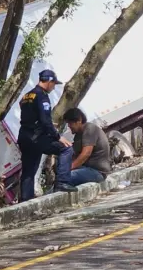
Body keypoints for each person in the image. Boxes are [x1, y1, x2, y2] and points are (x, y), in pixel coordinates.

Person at [17, 69, 75, 200]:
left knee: (28, 172)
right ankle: (62, 182)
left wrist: (40, 124)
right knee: (66, 148)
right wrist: (58, 137)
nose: (54, 87)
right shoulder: (42, 96)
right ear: (49, 81)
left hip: (24, 137)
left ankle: (25, 204)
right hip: (36, 138)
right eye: (54, 84)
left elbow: (29, 116)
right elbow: (45, 121)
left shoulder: (27, 96)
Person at [61, 107, 112, 187]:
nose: (69, 126)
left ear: (79, 121)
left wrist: (70, 167)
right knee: (62, 177)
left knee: (66, 177)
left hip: (97, 172)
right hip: (86, 169)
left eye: (70, 123)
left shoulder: (90, 129)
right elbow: (75, 155)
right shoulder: (78, 135)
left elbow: (86, 154)